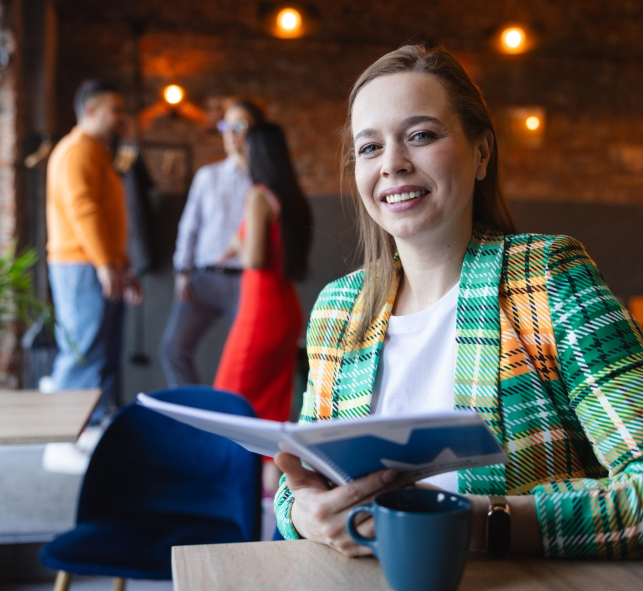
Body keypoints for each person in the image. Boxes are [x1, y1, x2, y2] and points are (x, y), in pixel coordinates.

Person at [273, 44, 643, 560]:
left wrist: (480, 523)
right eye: (370, 147)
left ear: (482, 153)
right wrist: (303, 514)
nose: (392, 164)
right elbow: (301, 482)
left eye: (421, 136)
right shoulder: (339, 308)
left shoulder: (548, 276)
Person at [213, 122, 312, 492]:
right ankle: (272, 502)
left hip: (261, 313)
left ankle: (227, 491)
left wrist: (237, 242)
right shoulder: (291, 197)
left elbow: (255, 258)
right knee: (270, 413)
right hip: (284, 309)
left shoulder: (258, 195)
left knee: (228, 403)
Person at [46, 80, 143, 428]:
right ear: (91, 111)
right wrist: (105, 264)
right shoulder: (77, 151)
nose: (122, 117)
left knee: (102, 353)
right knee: (82, 351)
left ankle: (89, 428)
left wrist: (122, 266)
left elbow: (109, 220)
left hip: (100, 264)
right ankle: (63, 435)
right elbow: (83, 211)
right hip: (81, 264)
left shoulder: (99, 154)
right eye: (115, 110)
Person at [160, 100, 265, 386]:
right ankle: (195, 409)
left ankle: (237, 414)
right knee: (173, 351)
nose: (230, 132)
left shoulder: (264, 180)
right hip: (203, 279)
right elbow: (189, 226)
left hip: (247, 281)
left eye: (239, 125)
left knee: (245, 361)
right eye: (225, 125)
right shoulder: (207, 176)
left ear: (256, 131)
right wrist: (182, 271)